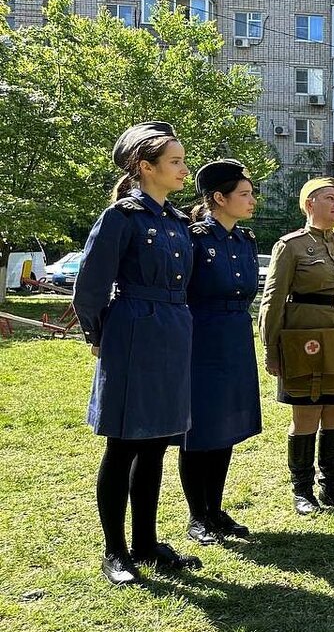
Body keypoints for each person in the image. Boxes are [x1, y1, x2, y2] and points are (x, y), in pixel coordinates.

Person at [74, 121, 201, 585]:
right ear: (145, 168)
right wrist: (99, 336)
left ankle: (146, 543)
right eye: (176, 162)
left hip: (173, 331)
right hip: (133, 332)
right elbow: (89, 288)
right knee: (125, 443)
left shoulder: (177, 222)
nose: (184, 169)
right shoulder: (121, 218)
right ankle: (116, 551)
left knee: (156, 444)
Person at [259, 178, 334, 515]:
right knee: (307, 414)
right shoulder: (291, 246)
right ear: (309, 204)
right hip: (305, 342)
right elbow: (272, 301)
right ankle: (302, 491)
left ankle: (332, 487)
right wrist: (271, 348)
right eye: (329, 198)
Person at [177, 159, 263, 545]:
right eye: (244, 194)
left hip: (235, 336)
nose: (252, 201)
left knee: (226, 426)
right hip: (201, 337)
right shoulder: (192, 238)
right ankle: (198, 516)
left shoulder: (245, 241)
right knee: (200, 429)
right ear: (218, 198)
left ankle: (215, 508)